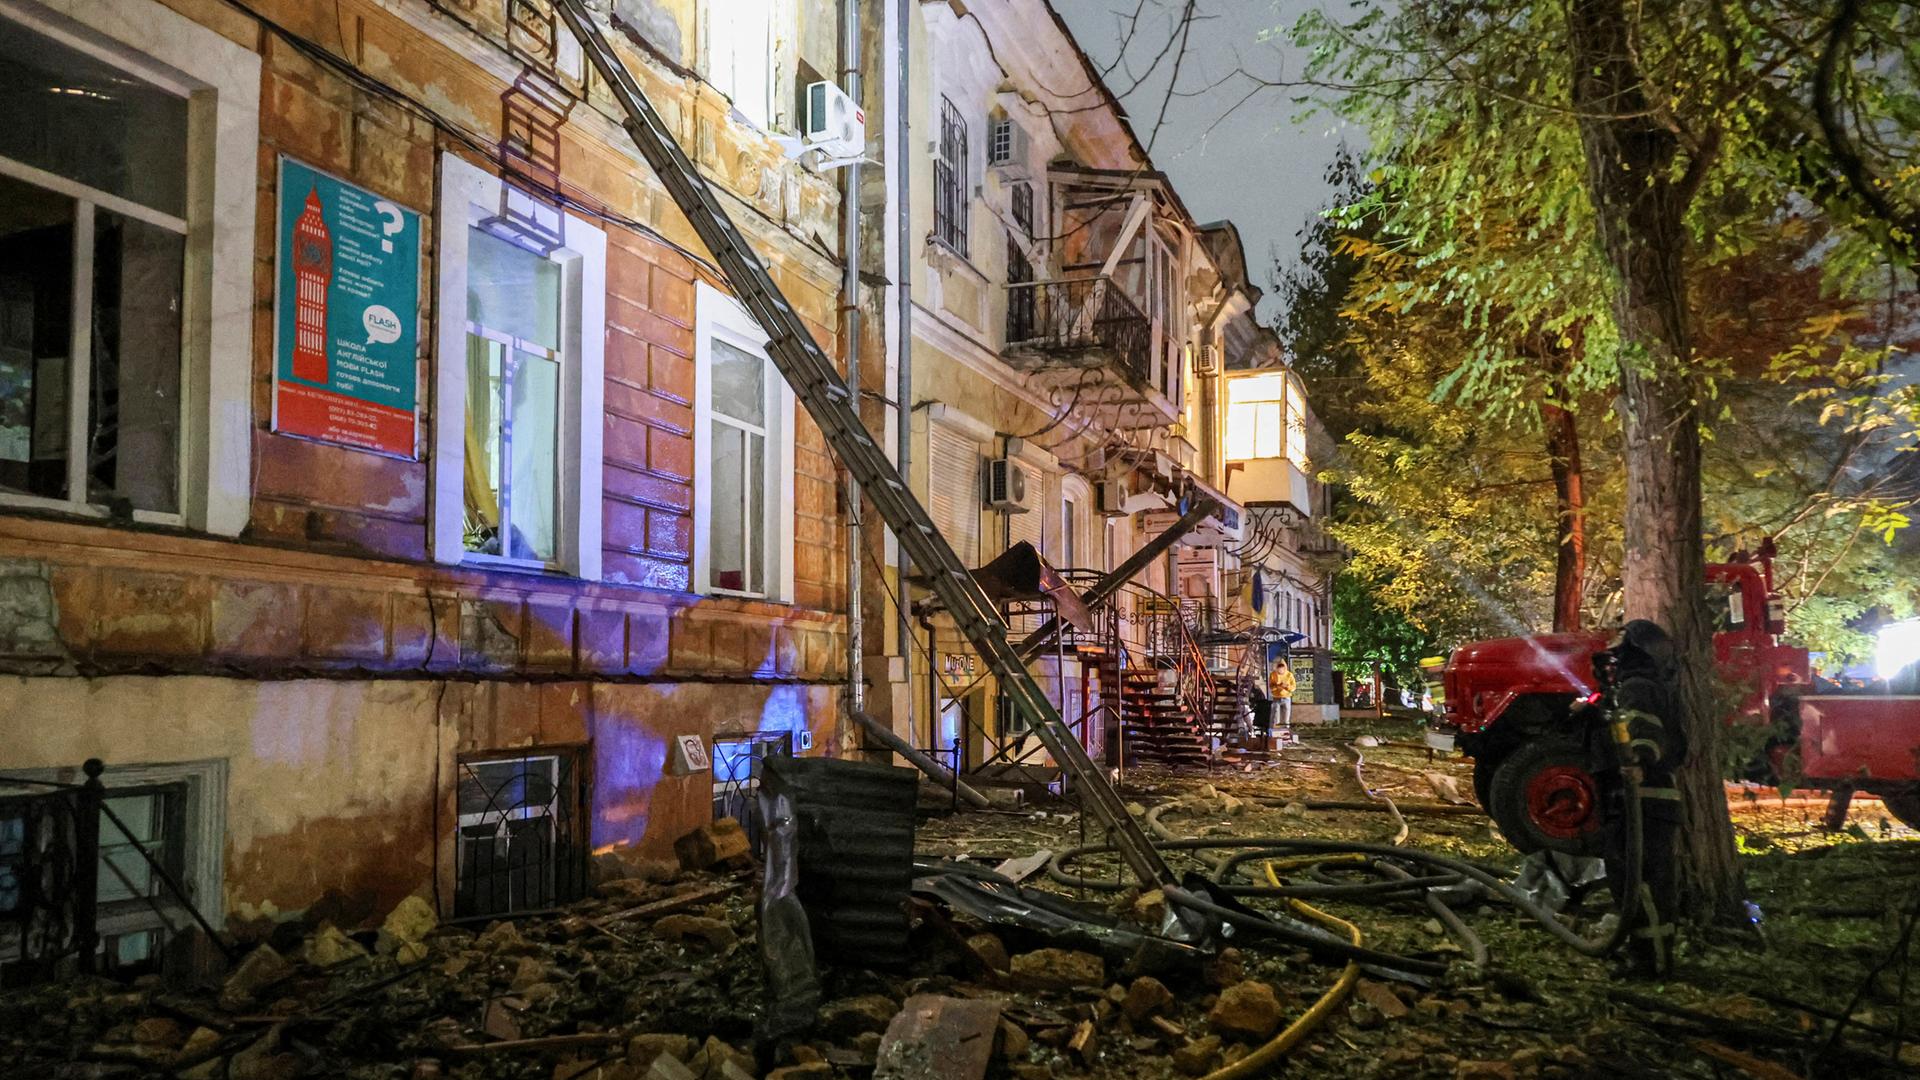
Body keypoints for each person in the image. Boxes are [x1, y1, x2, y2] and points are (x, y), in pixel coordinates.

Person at [1589, 619, 1686, 978]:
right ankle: (1644, 956)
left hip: (1644, 799)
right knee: (1632, 881)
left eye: (1620, 655)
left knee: (1642, 882)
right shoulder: (1637, 687)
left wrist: (1639, 762)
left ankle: (1653, 963)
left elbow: (1646, 732)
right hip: (1639, 800)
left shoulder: (1638, 687)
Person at [1268, 658, 1296, 735]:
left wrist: (1287, 687)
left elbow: (1293, 687)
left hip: (1286, 697)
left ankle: (1286, 733)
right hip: (1276, 697)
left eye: (1282, 667)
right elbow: (1271, 686)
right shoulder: (1273, 675)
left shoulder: (1289, 675)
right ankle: (1274, 733)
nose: (1280, 669)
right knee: (1275, 717)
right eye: (1279, 667)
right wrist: (1278, 686)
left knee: (1286, 717)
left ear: (1285, 667)